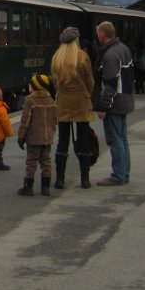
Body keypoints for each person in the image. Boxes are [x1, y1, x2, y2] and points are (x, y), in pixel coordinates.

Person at [50, 27, 96, 189]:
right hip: (81, 102)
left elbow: (55, 83)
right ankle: (85, 179)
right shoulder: (82, 57)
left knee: (62, 141)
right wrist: (87, 94)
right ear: (76, 40)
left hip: (63, 103)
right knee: (83, 141)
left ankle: (59, 180)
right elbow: (90, 81)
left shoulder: (57, 59)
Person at [95, 21, 135, 186]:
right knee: (123, 139)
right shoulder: (124, 49)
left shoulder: (110, 55)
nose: (97, 36)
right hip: (125, 99)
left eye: (98, 33)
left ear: (104, 34)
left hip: (115, 103)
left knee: (115, 140)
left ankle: (118, 175)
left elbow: (110, 83)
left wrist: (104, 106)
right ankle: (124, 173)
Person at [16, 73, 57, 196]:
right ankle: (45, 187)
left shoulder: (30, 101)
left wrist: (21, 136)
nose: (29, 85)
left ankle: (28, 187)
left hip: (34, 138)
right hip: (47, 138)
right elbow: (55, 120)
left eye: (31, 84)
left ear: (35, 86)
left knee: (31, 162)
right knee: (46, 162)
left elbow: (25, 121)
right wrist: (50, 133)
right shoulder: (51, 101)